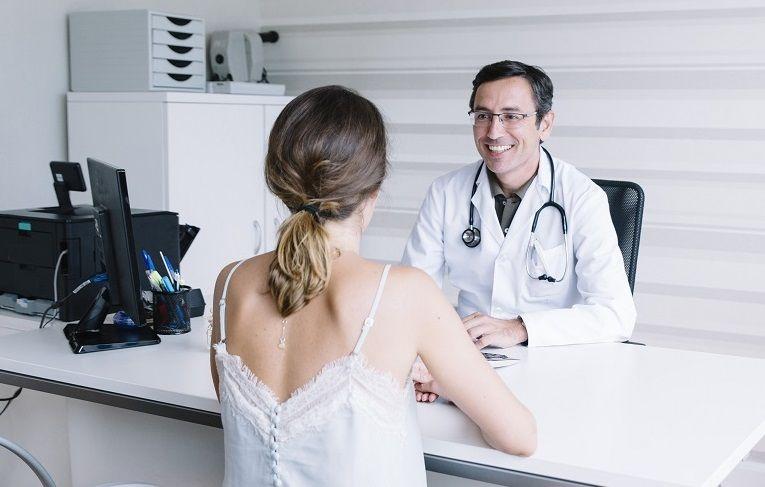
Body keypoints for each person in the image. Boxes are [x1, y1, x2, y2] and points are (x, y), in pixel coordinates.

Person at [209, 85, 536, 486]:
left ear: (279, 180)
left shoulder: (230, 283)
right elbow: (519, 437)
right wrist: (448, 383)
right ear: (374, 190)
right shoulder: (403, 293)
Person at [404, 61, 636, 400]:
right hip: (466, 368)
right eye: (483, 115)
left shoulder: (582, 198)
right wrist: (424, 358)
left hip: (556, 374)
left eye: (511, 116)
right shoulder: (446, 193)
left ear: (545, 124)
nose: (493, 132)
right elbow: (413, 295)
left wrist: (520, 328)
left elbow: (616, 315)